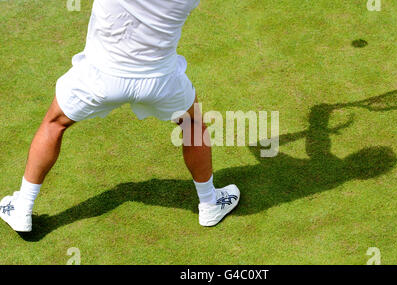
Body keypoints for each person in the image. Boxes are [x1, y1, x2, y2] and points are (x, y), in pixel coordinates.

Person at [0, 0, 239, 232]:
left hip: (99, 77)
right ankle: (209, 203)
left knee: (54, 124)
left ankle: (22, 208)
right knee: (193, 125)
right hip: (160, 81)